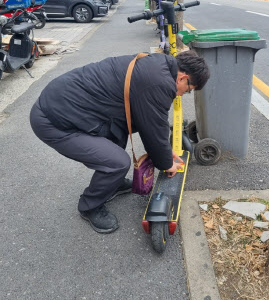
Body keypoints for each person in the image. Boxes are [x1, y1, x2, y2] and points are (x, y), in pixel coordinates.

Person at [30, 51, 210, 234]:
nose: (181, 95)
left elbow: (152, 122)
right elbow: (155, 127)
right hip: (54, 121)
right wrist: (165, 163)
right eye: (187, 90)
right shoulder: (159, 82)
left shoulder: (159, 66)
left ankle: (112, 184)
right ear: (183, 78)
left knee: (126, 125)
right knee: (117, 163)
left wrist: (164, 151)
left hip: (70, 106)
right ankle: (89, 206)